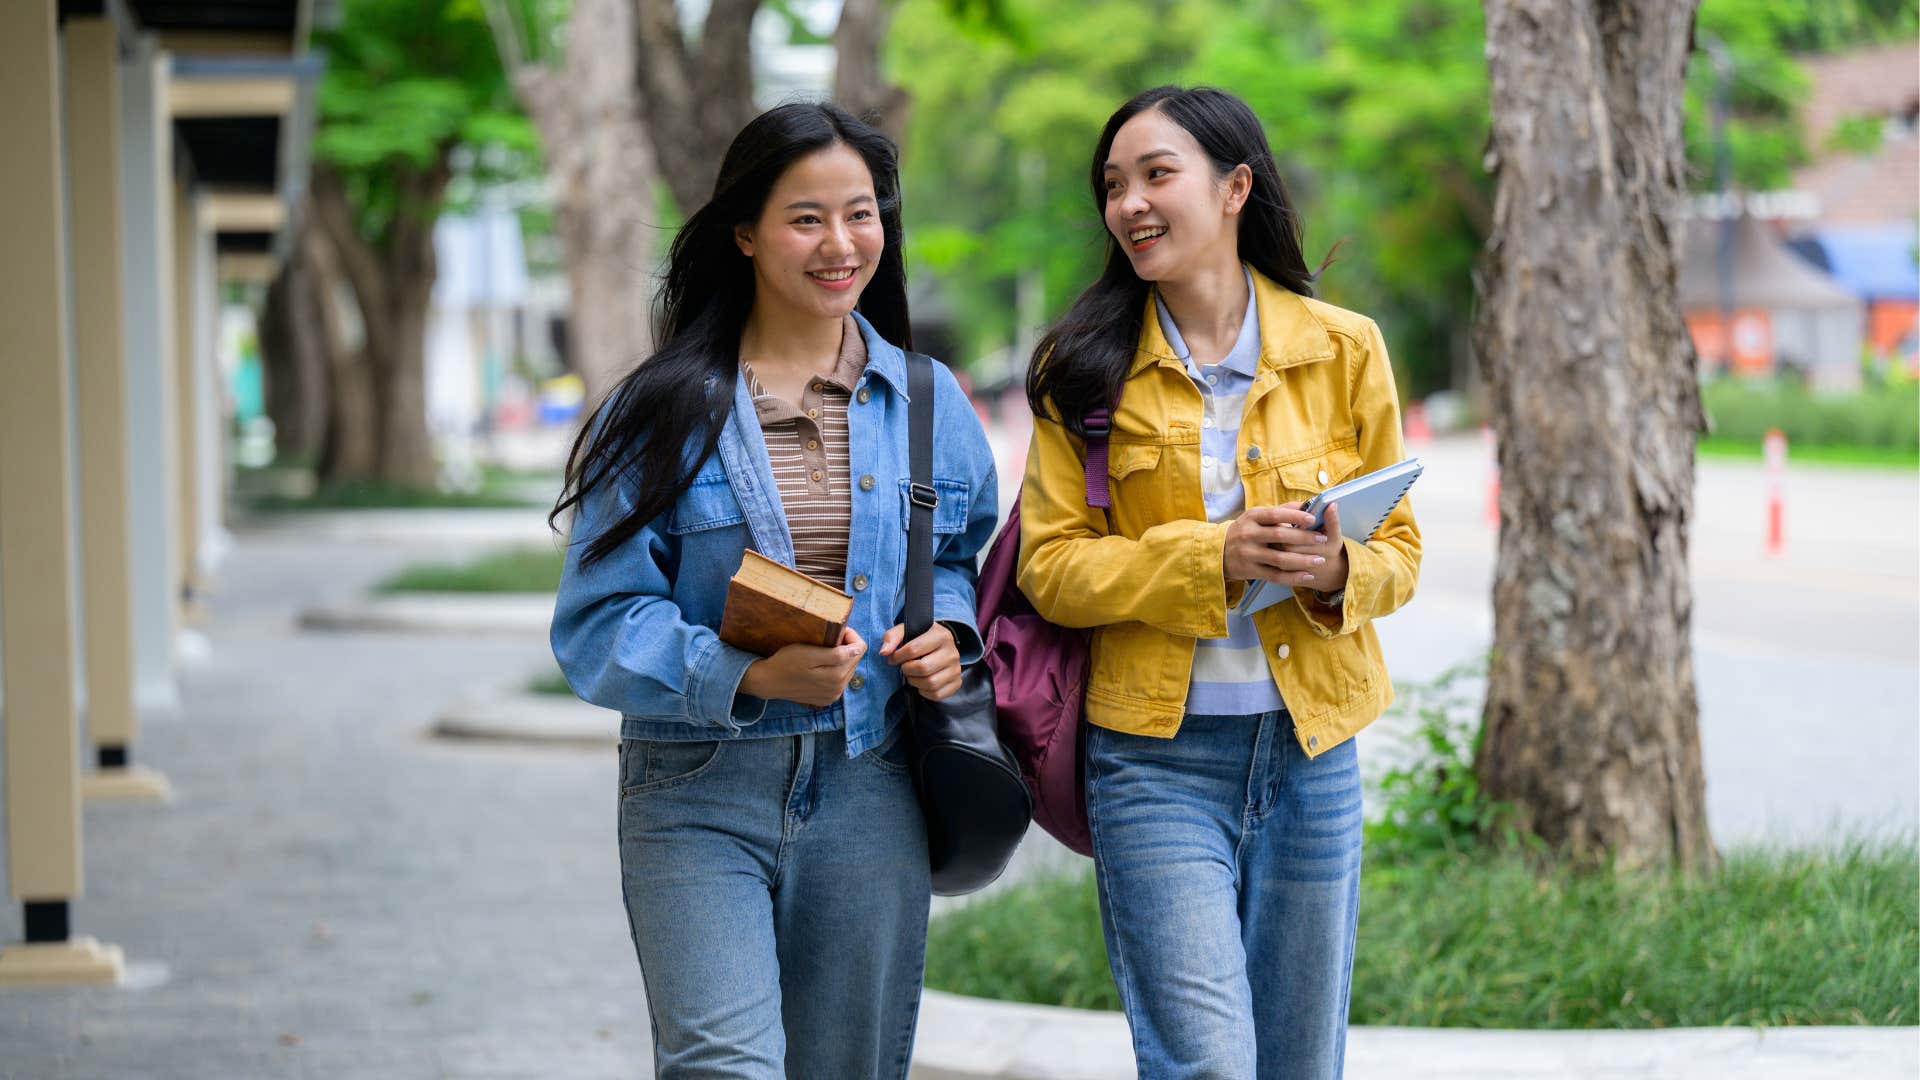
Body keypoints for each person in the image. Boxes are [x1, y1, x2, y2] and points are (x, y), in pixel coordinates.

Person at [549, 101, 998, 1079]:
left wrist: (947, 632)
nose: (841, 244)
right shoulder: (657, 410)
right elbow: (597, 623)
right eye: (807, 218)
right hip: (697, 788)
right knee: (723, 1064)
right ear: (745, 232)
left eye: (862, 212)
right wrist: (746, 675)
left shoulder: (929, 401)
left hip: (873, 788)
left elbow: (964, 554)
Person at [1016, 86, 1422, 1079]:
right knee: (1203, 1063)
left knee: (1295, 1063)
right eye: (1115, 185)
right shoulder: (1083, 366)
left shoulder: (1343, 347)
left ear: (1236, 186)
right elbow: (1051, 567)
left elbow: (1401, 552)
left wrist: (1339, 569)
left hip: (1309, 753)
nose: (1131, 204)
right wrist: (1215, 555)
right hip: (1154, 764)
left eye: (1158, 174)